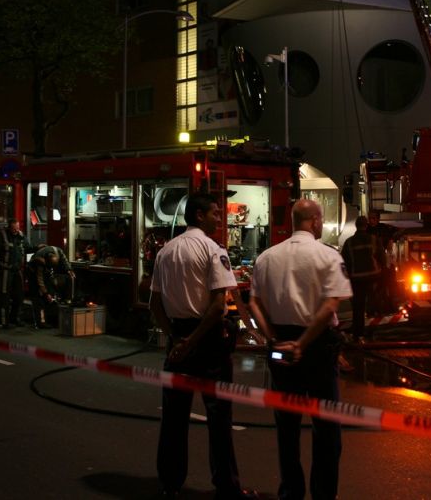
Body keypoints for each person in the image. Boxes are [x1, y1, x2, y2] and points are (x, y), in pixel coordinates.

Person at [149, 193, 257, 500]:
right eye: (215, 213)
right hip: (208, 342)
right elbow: (216, 306)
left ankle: (170, 484)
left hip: (178, 341)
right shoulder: (212, 249)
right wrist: (192, 340)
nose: (220, 218)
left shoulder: (166, 252)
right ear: (199, 215)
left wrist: (175, 339)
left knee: (174, 418)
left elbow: (155, 303)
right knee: (219, 418)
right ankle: (227, 487)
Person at [249, 199, 353, 500]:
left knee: (287, 427)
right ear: (315, 221)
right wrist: (303, 343)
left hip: (281, 345)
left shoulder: (267, 257)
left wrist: (272, 339)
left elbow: (254, 302)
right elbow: (331, 305)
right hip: (317, 347)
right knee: (327, 429)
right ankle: (323, 494)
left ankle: (290, 492)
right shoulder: (327, 255)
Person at [341, 215, 385, 341]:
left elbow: (344, 262)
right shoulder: (374, 239)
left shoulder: (349, 242)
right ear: (366, 225)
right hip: (373, 278)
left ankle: (358, 334)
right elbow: (382, 257)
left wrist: (348, 277)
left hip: (356, 280)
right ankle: (374, 333)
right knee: (374, 305)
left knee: (358, 308)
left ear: (356, 226)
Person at [0, 219, 32, 328]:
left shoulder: (21, 236)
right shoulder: (1, 236)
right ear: (9, 228)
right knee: (4, 296)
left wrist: (39, 248)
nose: (16, 230)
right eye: (14, 229)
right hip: (4, 271)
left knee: (19, 296)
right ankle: (4, 321)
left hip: (17, 271)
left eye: (18, 228)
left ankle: (15, 318)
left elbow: (28, 248)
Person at [27, 245, 75, 329]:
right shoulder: (39, 261)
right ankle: (40, 322)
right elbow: (40, 280)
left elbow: (64, 260)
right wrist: (46, 293)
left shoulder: (58, 251)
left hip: (45, 272)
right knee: (38, 297)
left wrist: (69, 269)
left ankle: (49, 318)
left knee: (50, 293)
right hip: (33, 274)